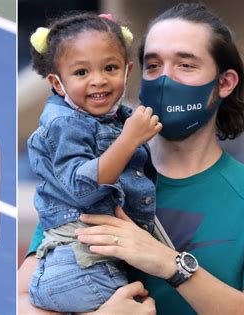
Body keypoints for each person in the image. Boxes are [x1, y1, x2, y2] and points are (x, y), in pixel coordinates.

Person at [19, 3, 244, 315]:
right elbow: (22, 298)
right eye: (154, 66)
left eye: (185, 65)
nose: (165, 80)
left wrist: (168, 263)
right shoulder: (89, 175)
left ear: (224, 83)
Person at [26, 12, 162, 313]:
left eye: (110, 67)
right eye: (81, 73)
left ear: (126, 71)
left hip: (89, 263)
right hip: (80, 266)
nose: (98, 80)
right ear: (58, 84)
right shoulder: (64, 123)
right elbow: (81, 188)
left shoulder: (110, 118)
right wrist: (129, 140)